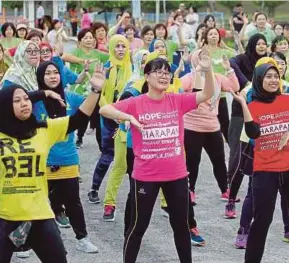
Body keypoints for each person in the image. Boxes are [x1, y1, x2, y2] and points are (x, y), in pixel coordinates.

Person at [99, 47, 214, 263]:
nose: (164, 75)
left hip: (177, 176)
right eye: (158, 71)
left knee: (180, 226)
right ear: (146, 76)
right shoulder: (136, 102)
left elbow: (207, 94)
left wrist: (207, 71)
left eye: (167, 72)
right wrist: (129, 118)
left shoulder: (177, 100)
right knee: (137, 227)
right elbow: (104, 110)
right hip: (145, 177)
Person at [0, 62, 106, 262]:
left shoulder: (43, 129)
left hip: (40, 215)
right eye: (17, 100)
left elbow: (78, 119)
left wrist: (95, 90)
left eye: (26, 99)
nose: (24, 103)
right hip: (4, 216)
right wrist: (43, 94)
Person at [33, 61, 98, 253]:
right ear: (40, 78)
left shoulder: (70, 97)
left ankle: (82, 238)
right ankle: (26, 243)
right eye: (47, 73)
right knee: (36, 203)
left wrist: (97, 89)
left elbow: (89, 107)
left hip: (68, 159)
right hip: (42, 161)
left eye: (56, 72)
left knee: (73, 202)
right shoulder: (34, 101)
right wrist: (44, 93)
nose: (53, 76)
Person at [231, 62, 289, 263]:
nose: (273, 80)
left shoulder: (287, 100)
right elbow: (253, 132)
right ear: (259, 79)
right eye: (268, 77)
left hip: (288, 167)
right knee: (262, 221)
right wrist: (244, 106)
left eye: (276, 76)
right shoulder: (253, 106)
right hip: (265, 170)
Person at [183, 46, 239, 204]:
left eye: (207, 56)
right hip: (192, 127)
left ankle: (225, 190)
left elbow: (234, 87)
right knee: (192, 161)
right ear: (195, 60)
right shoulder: (190, 77)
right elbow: (176, 90)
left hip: (213, 127)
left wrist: (229, 70)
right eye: (201, 57)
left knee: (219, 160)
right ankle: (190, 190)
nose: (205, 59)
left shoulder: (217, 77)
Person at [88, 34, 132, 204]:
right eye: (117, 46)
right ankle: (94, 188)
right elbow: (100, 94)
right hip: (108, 115)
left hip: (128, 115)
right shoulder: (105, 67)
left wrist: (124, 112)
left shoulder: (133, 67)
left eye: (123, 46)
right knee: (108, 153)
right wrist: (112, 111)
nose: (120, 50)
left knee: (132, 154)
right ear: (111, 47)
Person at [228, 34, 267, 184]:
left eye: (264, 43)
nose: (262, 46)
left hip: (258, 110)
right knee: (236, 148)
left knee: (257, 146)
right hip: (240, 109)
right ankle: (230, 180)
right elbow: (231, 62)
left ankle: (256, 179)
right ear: (252, 45)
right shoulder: (243, 59)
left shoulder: (265, 62)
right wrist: (246, 83)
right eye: (258, 44)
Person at [69, 28, 109, 149]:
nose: (89, 40)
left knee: (97, 116)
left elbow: (111, 58)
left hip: (94, 90)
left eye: (91, 37)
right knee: (83, 116)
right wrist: (83, 60)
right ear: (80, 40)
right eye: (85, 37)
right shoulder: (76, 52)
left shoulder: (98, 53)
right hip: (79, 90)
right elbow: (65, 56)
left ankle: (101, 146)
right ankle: (79, 137)